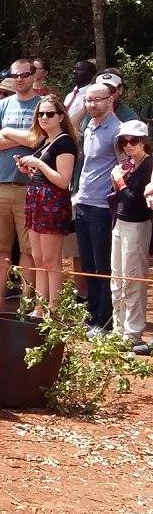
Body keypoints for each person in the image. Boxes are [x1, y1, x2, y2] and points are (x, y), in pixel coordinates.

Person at [0, 59, 41, 312]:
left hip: (31, 186)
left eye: (24, 74)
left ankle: (27, 302)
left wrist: (6, 132)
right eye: (14, 75)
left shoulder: (43, 106)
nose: (19, 79)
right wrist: (20, 137)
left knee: (29, 249)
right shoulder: (0, 106)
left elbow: (36, 139)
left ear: (33, 76)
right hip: (0, 184)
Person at [15, 96, 77, 317]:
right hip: (36, 200)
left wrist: (38, 163)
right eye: (40, 114)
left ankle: (54, 308)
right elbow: (45, 175)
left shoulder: (64, 142)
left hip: (53, 203)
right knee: (38, 258)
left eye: (49, 113)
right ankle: (40, 307)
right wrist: (29, 169)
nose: (43, 118)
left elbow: (62, 180)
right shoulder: (45, 141)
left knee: (51, 261)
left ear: (60, 116)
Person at [74, 83, 121, 335]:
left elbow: (123, 167)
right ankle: (92, 315)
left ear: (110, 99)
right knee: (88, 263)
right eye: (88, 100)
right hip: (83, 202)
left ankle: (104, 319)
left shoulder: (118, 130)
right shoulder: (89, 125)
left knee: (103, 265)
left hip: (102, 207)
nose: (91, 104)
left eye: (96, 100)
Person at [109, 120, 152, 356]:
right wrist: (119, 180)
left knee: (133, 280)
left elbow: (136, 200)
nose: (128, 146)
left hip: (137, 226)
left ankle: (132, 333)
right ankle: (118, 329)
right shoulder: (131, 165)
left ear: (143, 142)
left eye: (133, 141)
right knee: (117, 279)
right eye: (123, 141)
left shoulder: (148, 166)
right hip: (120, 224)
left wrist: (120, 181)